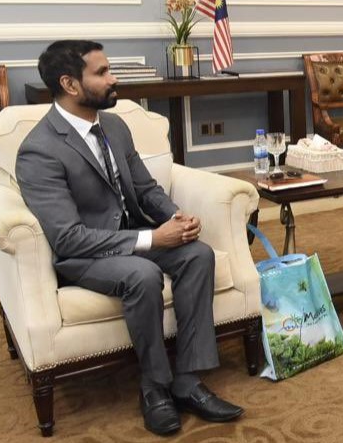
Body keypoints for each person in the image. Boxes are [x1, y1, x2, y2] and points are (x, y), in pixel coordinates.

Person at [16, 41, 244, 436]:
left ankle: (188, 380)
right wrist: (154, 239)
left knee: (198, 255)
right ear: (70, 84)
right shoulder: (39, 150)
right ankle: (154, 387)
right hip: (84, 254)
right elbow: (68, 237)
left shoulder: (115, 127)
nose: (113, 78)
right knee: (142, 275)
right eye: (102, 72)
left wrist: (175, 217)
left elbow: (145, 188)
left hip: (131, 235)